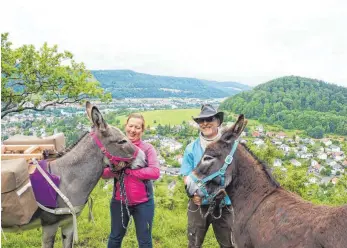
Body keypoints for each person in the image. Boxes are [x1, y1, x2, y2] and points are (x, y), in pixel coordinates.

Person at [102, 113, 160, 248]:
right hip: (119, 201)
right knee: (115, 237)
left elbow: (155, 172)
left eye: (137, 127)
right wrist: (115, 169)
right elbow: (103, 174)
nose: (133, 130)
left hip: (144, 203)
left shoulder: (147, 149)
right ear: (125, 126)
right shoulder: (114, 148)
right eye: (131, 126)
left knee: (145, 240)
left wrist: (129, 172)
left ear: (142, 130)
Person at [180, 104, 234, 248]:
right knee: (194, 243)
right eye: (201, 120)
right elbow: (186, 175)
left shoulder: (231, 147)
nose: (205, 123)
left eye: (209, 119)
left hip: (224, 204)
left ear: (218, 121)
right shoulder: (191, 149)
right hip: (198, 204)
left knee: (229, 243)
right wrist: (192, 194)